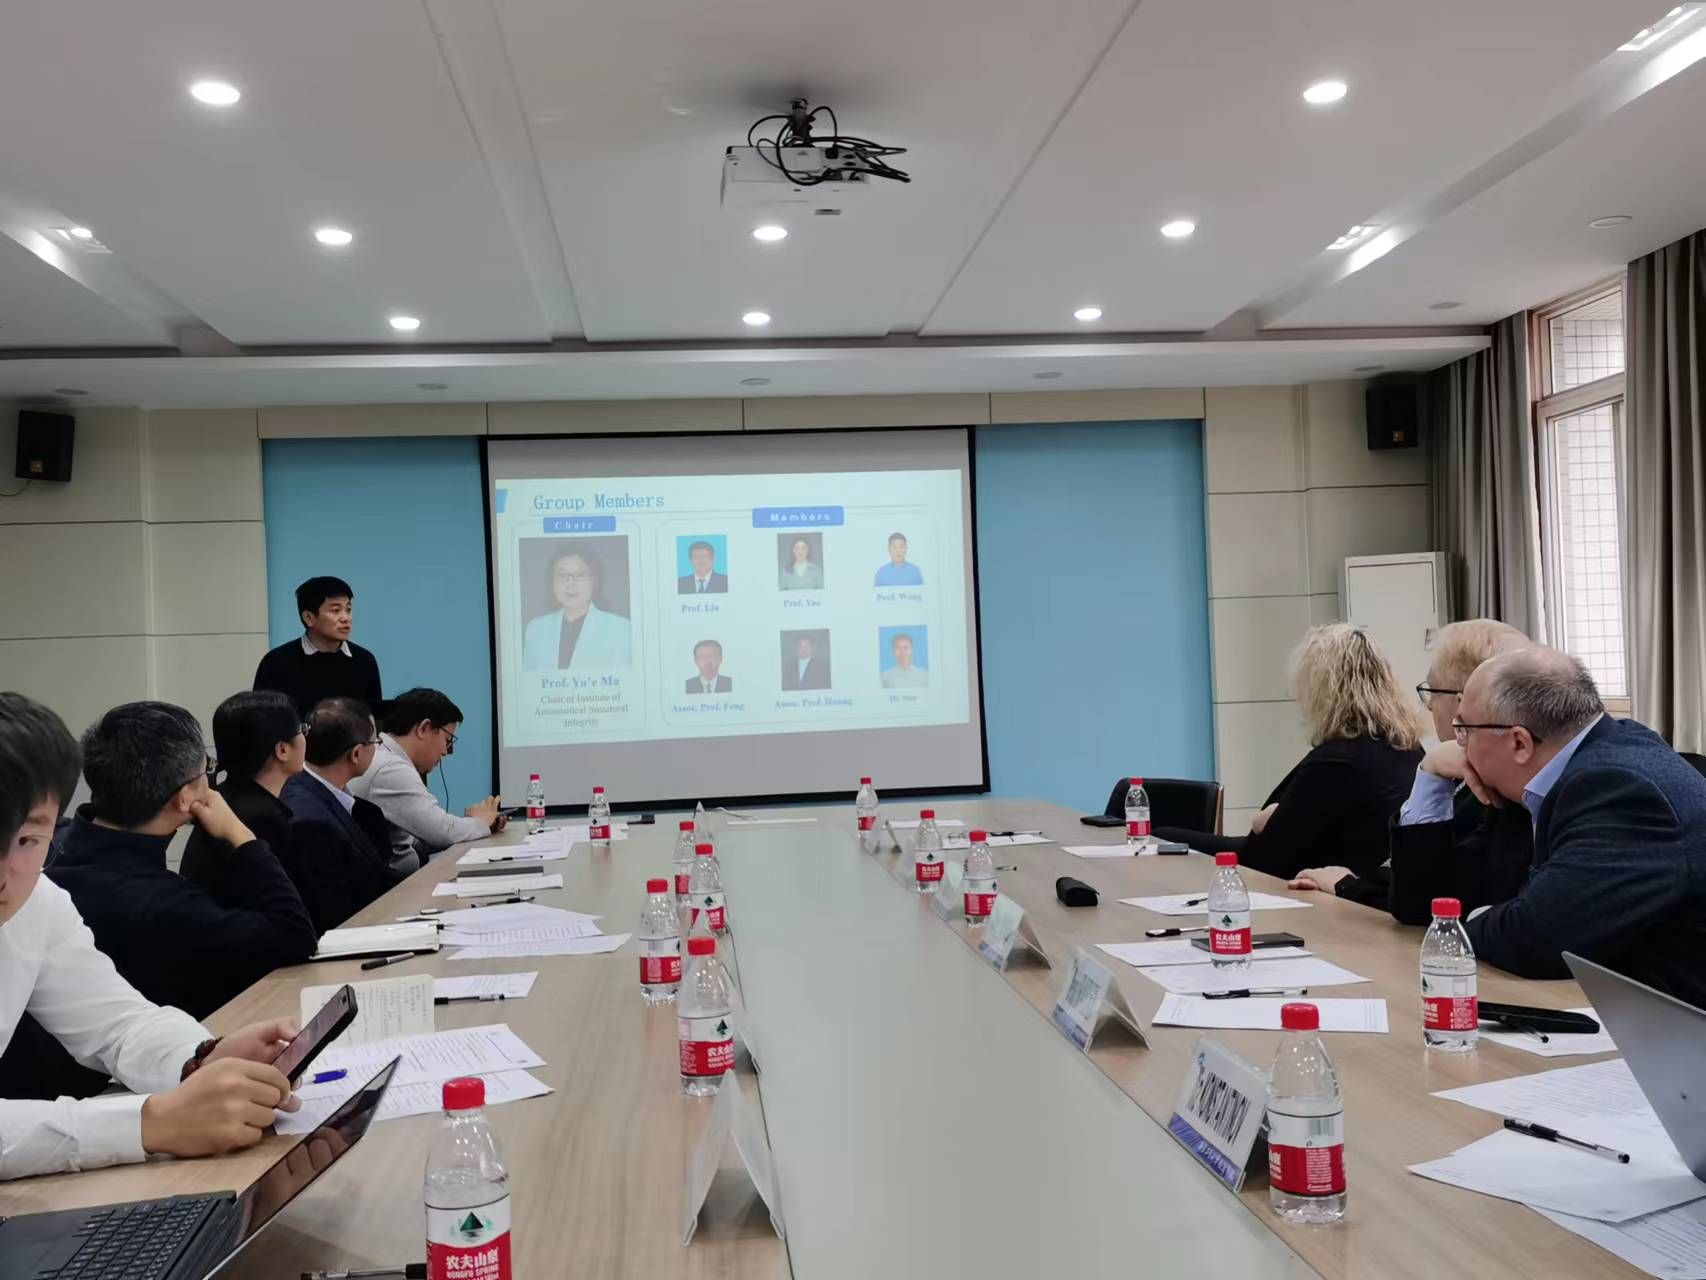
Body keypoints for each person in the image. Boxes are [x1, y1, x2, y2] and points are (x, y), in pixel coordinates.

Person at [0, 692, 301, 1180]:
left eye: (28, 840)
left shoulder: (40, 899)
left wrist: (200, 1057)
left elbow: (117, 1022)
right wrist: (148, 1123)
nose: (4, 873)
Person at [1451, 647, 1706, 1004]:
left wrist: (1457, 925)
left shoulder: (1617, 791)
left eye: (1464, 730)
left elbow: (1536, 936)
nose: (1458, 747)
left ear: (1520, 742)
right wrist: (1431, 776)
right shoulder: (1593, 757)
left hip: (1675, 1027)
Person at [48, 701, 319, 1020]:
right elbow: (295, 936)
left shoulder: (51, 845)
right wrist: (240, 834)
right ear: (185, 797)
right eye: (206, 770)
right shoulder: (163, 904)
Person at [1289, 619, 1535, 922]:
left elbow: (1433, 900)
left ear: (1465, 702)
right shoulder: (1452, 769)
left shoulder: (1502, 792)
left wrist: (1349, 887)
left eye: (1432, 691)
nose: (1429, 706)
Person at [1155, 624, 1424, 879]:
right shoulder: (1409, 748)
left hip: (1319, 892)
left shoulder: (1338, 761)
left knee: (1163, 836)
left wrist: (1268, 819)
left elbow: (1263, 858)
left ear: (1325, 691)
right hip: (1365, 886)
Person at [349, 688, 504, 868]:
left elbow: (423, 837)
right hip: (393, 884)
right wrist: (480, 822)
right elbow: (443, 832)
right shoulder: (390, 768)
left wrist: (477, 825)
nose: (445, 751)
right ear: (424, 728)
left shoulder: (386, 757)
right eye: (447, 740)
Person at [281, 698, 396, 931]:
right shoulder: (310, 821)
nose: (377, 748)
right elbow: (334, 913)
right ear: (356, 754)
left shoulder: (319, 793)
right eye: (375, 742)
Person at [180, 690, 305, 902]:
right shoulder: (265, 820)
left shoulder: (223, 798)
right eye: (302, 730)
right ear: (282, 750)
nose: (305, 737)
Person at [253, 576, 383, 717]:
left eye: (348, 609)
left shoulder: (364, 660)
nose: (346, 618)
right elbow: (261, 720)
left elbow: (375, 718)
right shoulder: (276, 663)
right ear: (309, 618)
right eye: (336, 610)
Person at [523, 544, 633, 671]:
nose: (570, 583)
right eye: (562, 575)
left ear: (595, 581)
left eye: (580, 575)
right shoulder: (536, 629)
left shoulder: (621, 630)